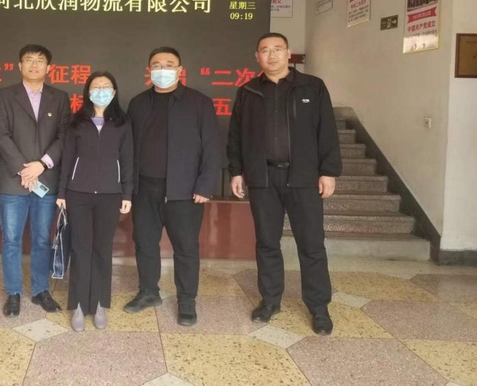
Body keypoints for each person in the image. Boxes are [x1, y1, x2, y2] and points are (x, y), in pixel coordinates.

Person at [227, 32, 342, 335]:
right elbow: (236, 135)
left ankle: (318, 307)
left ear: (289, 53)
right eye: (265, 50)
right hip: (263, 178)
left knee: (312, 244)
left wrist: (328, 171)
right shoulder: (248, 91)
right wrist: (236, 171)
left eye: (278, 49)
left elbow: (327, 130)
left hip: (303, 177)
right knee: (267, 243)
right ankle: (270, 301)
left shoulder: (312, 87)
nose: (272, 55)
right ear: (257, 57)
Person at [124, 47, 221, 326]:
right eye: (157, 65)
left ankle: (187, 301)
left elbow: (212, 147)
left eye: (169, 64)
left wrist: (205, 185)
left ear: (180, 70)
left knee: (186, 247)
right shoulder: (138, 103)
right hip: (144, 189)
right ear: (149, 70)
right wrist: (128, 187)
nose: (162, 69)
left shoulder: (199, 103)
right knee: (145, 243)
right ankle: (148, 292)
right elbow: (128, 148)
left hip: (185, 191)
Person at [0, 44, 70, 317]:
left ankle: (40, 290)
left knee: (41, 239)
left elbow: (64, 136)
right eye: (29, 60)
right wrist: (23, 169)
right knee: (11, 240)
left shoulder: (60, 98)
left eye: (40, 61)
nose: (34, 65)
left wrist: (41, 164)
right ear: (19, 65)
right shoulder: (4, 96)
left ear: (49, 67)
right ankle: (13, 292)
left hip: (45, 179)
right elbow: (0, 134)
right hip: (14, 180)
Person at [56, 72, 133, 331]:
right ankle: (78, 305)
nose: (101, 90)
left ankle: (99, 303)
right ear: (88, 91)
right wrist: (62, 193)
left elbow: (128, 160)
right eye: (96, 86)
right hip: (78, 193)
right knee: (80, 249)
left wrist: (127, 194)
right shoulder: (77, 122)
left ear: (114, 91)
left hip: (110, 195)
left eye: (106, 86)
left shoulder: (122, 123)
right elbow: (67, 159)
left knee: (102, 249)